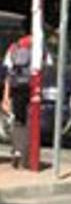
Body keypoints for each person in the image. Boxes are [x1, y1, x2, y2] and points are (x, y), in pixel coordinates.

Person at [1, 18, 33, 169]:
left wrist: (6, 96)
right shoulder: (39, 48)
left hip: (17, 89)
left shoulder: (14, 47)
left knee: (17, 120)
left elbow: (8, 73)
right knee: (29, 122)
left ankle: (17, 150)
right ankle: (25, 153)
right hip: (34, 89)